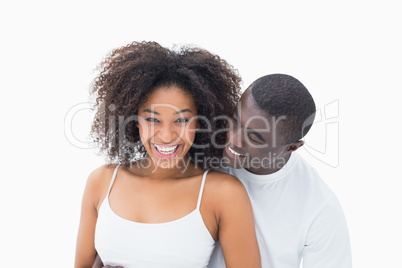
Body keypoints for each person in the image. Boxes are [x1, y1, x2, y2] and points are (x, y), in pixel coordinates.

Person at [74, 41, 261, 268]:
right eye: (152, 119)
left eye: (181, 120)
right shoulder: (102, 181)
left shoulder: (222, 192)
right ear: (133, 121)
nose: (166, 135)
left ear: (201, 122)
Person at [207, 73, 352, 268]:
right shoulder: (202, 151)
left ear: (292, 147)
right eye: (235, 119)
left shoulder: (320, 209)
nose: (233, 139)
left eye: (254, 138)